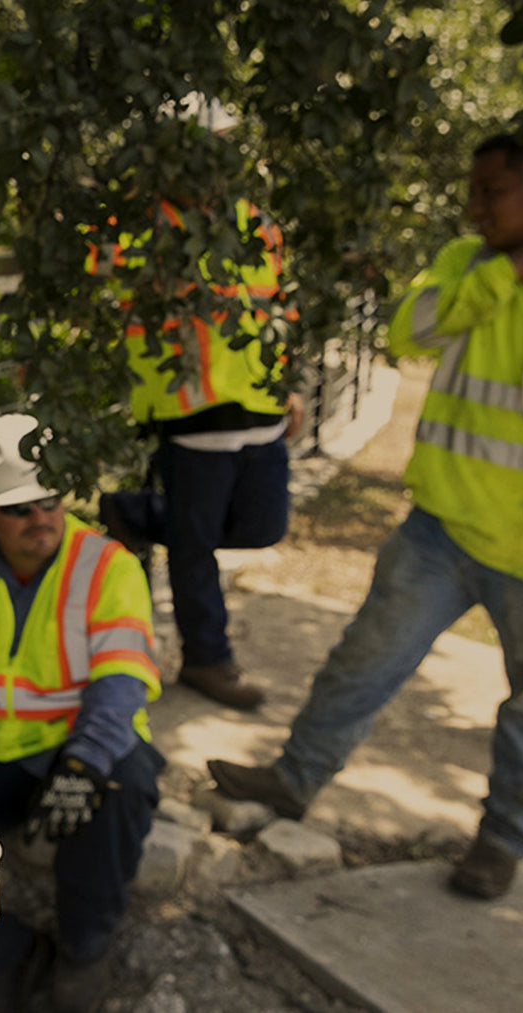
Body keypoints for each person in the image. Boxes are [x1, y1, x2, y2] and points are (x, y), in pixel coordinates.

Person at [204, 135, 523, 900]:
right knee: (363, 661)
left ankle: (503, 840)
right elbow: (407, 329)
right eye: (473, 190)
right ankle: (294, 780)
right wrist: (507, 274)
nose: (474, 207)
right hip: (441, 527)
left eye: (492, 191)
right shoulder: (467, 262)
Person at [0, 413, 166, 1013]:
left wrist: (83, 765)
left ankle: (84, 953)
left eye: (50, 501)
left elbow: (122, 682)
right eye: (20, 508)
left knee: (125, 787)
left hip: (73, 748)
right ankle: (9, 959)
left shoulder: (108, 564)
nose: (40, 517)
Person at [93, 192, 302, 711]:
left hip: (261, 406)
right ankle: (207, 659)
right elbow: (96, 272)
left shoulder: (254, 220)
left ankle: (132, 512)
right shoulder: (142, 221)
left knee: (264, 526)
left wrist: (290, 384)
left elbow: (279, 307)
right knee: (195, 550)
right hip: (191, 410)